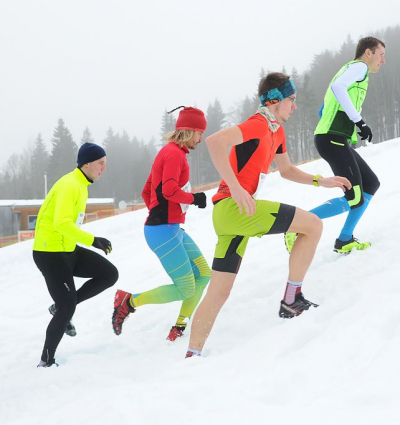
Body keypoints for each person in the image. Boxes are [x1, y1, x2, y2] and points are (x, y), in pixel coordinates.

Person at [185, 72, 351, 358]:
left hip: (231, 216)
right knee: (312, 224)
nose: (294, 106)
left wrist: (320, 181)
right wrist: (236, 188)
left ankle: (192, 354)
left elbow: (286, 170)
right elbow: (214, 142)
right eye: (291, 100)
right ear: (274, 101)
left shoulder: (277, 131)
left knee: (219, 292)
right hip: (234, 207)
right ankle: (291, 300)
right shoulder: (258, 124)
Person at [111, 107, 211, 341]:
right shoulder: (174, 154)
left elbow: (148, 191)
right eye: (200, 133)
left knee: (204, 274)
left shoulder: (169, 152)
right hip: (163, 231)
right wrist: (193, 199)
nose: (201, 138)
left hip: (168, 228)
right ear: (189, 131)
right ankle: (129, 301)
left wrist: (165, 214)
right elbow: (168, 191)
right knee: (185, 287)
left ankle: (179, 327)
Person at [284, 36, 385, 256]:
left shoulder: (348, 70)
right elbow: (338, 88)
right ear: (368, 53)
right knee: (354, 196)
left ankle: (345, 239)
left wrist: (344, 119)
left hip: (335, 138)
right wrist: (359, 121)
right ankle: (296, 224)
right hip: (331, 139)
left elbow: (327, 102)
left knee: (370, 183)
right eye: (381, 54)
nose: (383, 60)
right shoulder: (359, 68)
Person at [32, 143, 118, 367]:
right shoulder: (70, 185)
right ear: (87, 163)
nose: (104, 168)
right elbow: (61, 223)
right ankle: (46, 361)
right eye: (101, 163)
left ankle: (61, 306)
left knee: (109, 274)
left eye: (105, 164)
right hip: (50, 252)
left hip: (67, 249)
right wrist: (93, 240)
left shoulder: (81, 184)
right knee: (67, 306)